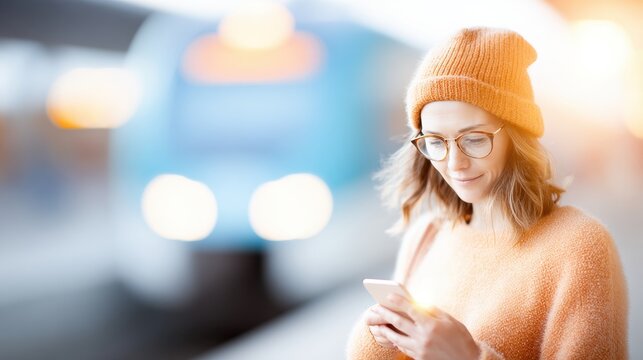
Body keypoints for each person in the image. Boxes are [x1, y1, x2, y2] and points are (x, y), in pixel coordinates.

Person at [345, 27, 628, 359]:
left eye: (474, 139)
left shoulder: (579, 247)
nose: (454, 163)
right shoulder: (427, 235)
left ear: (517, 137)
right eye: (436, 142)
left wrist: (467, 356)